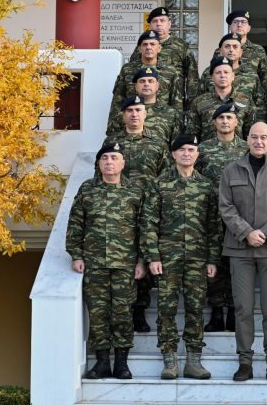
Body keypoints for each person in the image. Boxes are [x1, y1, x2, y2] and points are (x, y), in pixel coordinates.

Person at [218, 122, 267, 383]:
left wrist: (265, 232)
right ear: (247, 140)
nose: (259, 141)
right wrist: (246, 233)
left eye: (264, 137)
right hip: (240, 250)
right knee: (242, 308)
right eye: (254, 137)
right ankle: (245, 362)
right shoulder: (231, 170)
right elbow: (226, 206)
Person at [66, 142, 147, 380]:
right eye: (105, 158)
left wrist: (142, 260)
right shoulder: (88, 189)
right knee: (98, 313)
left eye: (114, 158)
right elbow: (76, 223)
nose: (109, 162)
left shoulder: (135, 191)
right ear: (99, 164)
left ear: (123, 163)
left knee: (123, 312)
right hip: (95, 262)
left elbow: (144, 227)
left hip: (125, 264)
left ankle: (121, 363)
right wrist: (76, 254)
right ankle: (102, 362)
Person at [143, 134, 221, 380]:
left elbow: (214, 226)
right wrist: (153, 256)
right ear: (173, 154)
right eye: (182, 150)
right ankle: (169, 359)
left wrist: (212, 259)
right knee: (166, 308)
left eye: (191, 150)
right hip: (167, 257)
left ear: (197, 154)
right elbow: (149, 223)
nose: (187, 154)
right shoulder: (159, 184)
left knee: (195, 308)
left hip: (198, 257)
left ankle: (194, 360)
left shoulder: (206, 186)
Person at [101, 94, 170, 333]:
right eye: (129, 110)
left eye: (138, 110)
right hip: (119, 209)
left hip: (148, 207)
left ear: (145, 114)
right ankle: (123, 312)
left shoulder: (157, 143)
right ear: (123, 115)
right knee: (125, 257)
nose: (134, 114)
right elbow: (101, 174)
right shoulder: (112, 142)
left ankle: (140, 310)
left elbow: (165, 177)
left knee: (146, 254)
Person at [197, 102, 247, 332]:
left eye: (229, 117)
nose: (225, 121)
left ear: (236, 122)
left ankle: (235, 312)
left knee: (237, 264)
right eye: (221, 118)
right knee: (214, 261)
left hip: (239, 215)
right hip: (211, 213)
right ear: (214, 122)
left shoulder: (246, 148)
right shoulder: (203, 149)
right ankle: (217, 312)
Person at [106, 29, 183, 126]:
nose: (148, 47)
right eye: (145, 44)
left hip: (160, 125)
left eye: (152, 44)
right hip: (132, 124)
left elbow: (176, 102)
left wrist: (177, 128)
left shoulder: (170, 71)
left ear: (159, 48)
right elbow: (118, 100)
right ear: (139, 49)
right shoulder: (127, 69)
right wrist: (113, 127)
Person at [128, 7, 199, 109]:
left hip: (172, 102)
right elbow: (132, 72)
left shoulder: (181, 46)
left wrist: (191, 105)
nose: (159, 24)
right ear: (150, 26)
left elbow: (192, 77)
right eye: (155, 21)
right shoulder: (142, 47)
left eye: (162, 20)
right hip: (144, 103)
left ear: (169, 24)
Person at [199, 33, 267, 117]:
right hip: (212, 121)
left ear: (240, 52)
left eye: (235, 47)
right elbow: (199, 100)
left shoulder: (252, 76)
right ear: (220, 52)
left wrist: (259, 123)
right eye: (227, 46)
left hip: (243, 122)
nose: (231, 50)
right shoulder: (209, 73)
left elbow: (260, 106)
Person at [188, 56, 255, 141]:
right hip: (207, 149)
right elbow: (192, 136)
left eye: (226, 72)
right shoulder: (199, 102)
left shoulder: (245, 101)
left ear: (233, 76)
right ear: (212, 77)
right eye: (218, 73)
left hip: (238, 149)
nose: (222, 75)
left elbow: (250, 134)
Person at [127, 66, 183, 148]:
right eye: (142, 81)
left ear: (157, 86)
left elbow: (176, 146)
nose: (146, 84)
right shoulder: (125, 113)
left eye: (150, 81)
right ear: (136, 86)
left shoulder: (171, 114)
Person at [227, 8, 267, 102]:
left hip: (250, 101)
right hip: (225, 100)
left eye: (243, 22)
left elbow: (266, 80)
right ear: (230, 27)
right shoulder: (221, 50)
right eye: (235, 22)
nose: (239, 25)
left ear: (249, 28)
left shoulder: (258, 50)